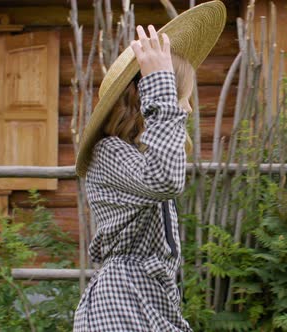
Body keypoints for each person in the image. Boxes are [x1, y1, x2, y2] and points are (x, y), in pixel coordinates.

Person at [72, 2, 226, 331]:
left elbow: (163, 167)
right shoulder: (108, 152)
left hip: (147, 295)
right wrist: (161, 86)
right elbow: (166, 180)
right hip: (121, 302)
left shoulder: (136, 157)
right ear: (150, 98)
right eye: (181, 97)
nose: (187, 110)